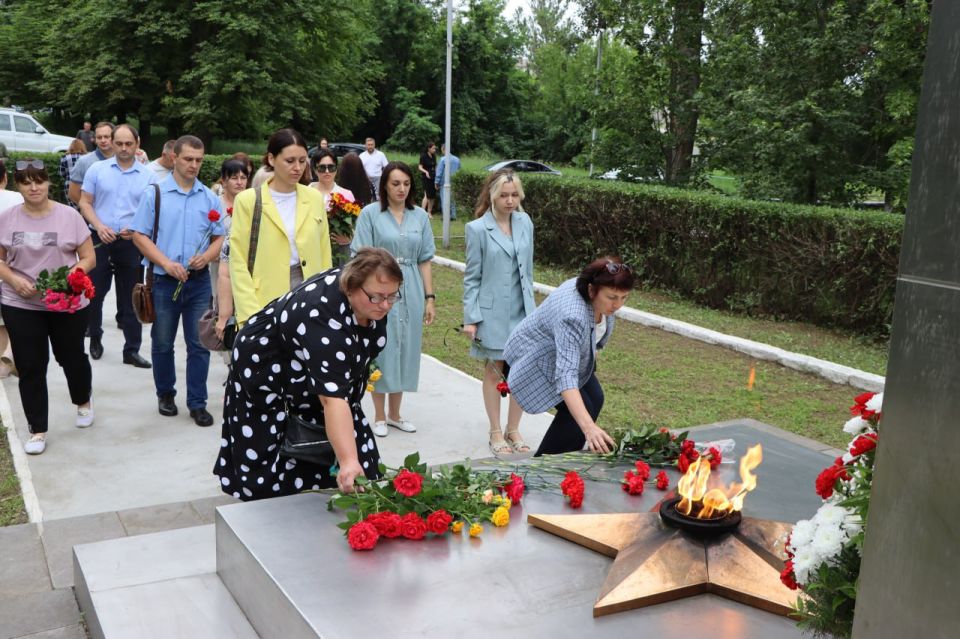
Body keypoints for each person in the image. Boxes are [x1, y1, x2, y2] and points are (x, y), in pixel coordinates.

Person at [214, 247, 400, 499]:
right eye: (377, 297)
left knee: (355, 455)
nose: (386, 304)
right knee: (278, 460)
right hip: (267, 371)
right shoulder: (322, 317)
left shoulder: (371, 301)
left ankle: (342, 483)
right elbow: (331, 399)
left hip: (310, 370)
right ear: (351, 287)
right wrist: (347, 460)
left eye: (392, 296)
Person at [0, 159, 96, 454]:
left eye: (38, 180)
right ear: (17, 185)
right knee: (30, 365)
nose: (33, 187)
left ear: (49, 183)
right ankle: (37, 429)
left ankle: (82, 401)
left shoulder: (69, 216)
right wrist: (15, 281)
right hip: (21, 302)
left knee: (71, 358)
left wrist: (74, 274)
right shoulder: (7, 218)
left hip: (66, 303)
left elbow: (89, 257)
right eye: (26, 182)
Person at [131, 135, 224, 426]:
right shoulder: (155, 193)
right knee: (162, 343)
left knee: (199, 344)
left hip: (197, 283)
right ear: (174, 157)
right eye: (188, 159)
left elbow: (220, 236)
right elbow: (139, 235)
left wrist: (207, 256)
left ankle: (197, 403)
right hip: (163, 281)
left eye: (199, 160)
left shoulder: (209, 197)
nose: (194, 165)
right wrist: (165, 263)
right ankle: (166, 393)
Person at [504, 257, 635, 456]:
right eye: (612, 297)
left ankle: (565, 461)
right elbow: (566, 377)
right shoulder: (572, 316)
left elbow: (593, 338)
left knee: (595, 399)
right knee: (578, 417)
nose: (618, 305)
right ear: (592, 290)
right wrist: (589, 428)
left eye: (623, 298)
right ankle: (543, 469)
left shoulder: (598, 294)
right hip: (536, 359)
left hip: (564, 354)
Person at [351, 161, 435, 437]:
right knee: (381, 348)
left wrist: (429, 297)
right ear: (385, 185)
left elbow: (424, 260)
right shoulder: (370, 214)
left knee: (406, 346)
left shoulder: (420, 216)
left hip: (410, 286)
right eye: (395, 183)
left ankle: (396, 413)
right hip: (379, 286)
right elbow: (360, 256)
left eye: (406, 184)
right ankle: (377, 415)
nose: (401, 189)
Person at [462, 170, 535, 456]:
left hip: (524, 311)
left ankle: (513, 428)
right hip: (492, 313)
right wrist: (471, 317)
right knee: (495, 371)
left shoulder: (525, 222)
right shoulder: (478, 228)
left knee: (522, 372)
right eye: (504, 195)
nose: (509, 200)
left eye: (514, 195)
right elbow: (472, 277)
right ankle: (495, 430)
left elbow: (528, 270)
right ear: (492, 195)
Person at [229, 128, 332, 326]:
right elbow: (238, 261)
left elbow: (324, 254)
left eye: (302, 161)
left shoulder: (314, 198)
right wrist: (250, 313)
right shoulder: (248, 200)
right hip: (264, 297)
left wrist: (325, 299)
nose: (297, 167)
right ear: (271, 159)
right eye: (290, 161)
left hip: (310, 296)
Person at [78, 123, 157, 366]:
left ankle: (131, 350)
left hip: (132, 243)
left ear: (138, 144)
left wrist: (136, 229)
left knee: (133, 296)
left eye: (128, 144)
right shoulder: (96, 170)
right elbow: (85, 202)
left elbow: (153, 211)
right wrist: (99, 226)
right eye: (119, 143)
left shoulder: (148, 176)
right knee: (95, 292)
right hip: (99, 240)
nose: (123, 148)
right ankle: (95, 338)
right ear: (111, 142)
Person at [0, 159, 24, 378]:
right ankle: (10, 356)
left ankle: (6, 360)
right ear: (5, 178)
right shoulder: (16, 198)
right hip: (12, 265)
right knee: (13, 316)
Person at [310, 149, 355, 266]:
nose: (327, 171)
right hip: (312, 249)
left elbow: (356, 228)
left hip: (339, 251)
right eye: (322, 167)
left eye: (331, 167)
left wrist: (348, 238)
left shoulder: (346, 194)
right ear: (315, 169)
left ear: (336, 169)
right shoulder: (306, 192)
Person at [68, 121, 115, 206]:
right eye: (99, 137)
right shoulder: (84, 161)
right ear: (95, 139)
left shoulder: (123, 160)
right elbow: (73, 193)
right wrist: (89, 211)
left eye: (107, 137)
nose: (103, 140)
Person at [58, 139, 87, 208]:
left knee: (72, 209)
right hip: (84, 185)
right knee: (84, 206)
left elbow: (61, 173)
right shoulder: (86, 158)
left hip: (69, 185)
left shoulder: (65, 158)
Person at [435, 143, 461, 220]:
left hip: (444, 182)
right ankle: (453, 215)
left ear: (443, 149)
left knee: (444, 199)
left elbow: (439, 172)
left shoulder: (443, 159)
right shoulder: (457, 159)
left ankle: (446, 216)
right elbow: (459, 170)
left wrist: (436, 182)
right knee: (453, 199)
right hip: (454, 182)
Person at [418, 142, 437, 216]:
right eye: (433, 148)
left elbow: (435, 166)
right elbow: (420, 167)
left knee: (432, 196)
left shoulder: (434, 156)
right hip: (426, 178)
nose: (435, 150)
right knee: (427, 195)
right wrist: (426, 172)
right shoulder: (423, 156)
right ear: (429, 148)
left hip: (433, 177)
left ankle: (429, 212)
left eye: (435, 148)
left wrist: (437, 175)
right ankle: (422, 212)